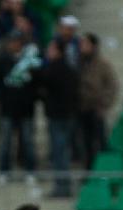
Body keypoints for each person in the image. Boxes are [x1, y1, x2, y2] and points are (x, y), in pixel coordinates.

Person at [0, 31, 40, 184]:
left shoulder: (30, 61)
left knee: (27, 142)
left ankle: (30, 171)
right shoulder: (3, 60)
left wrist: (31, 98)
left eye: (16, 41)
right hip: (7, 108)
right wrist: (2, 98)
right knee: (5, 142)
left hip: (26, 108)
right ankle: (4, 171)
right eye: (11, 41)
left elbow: (36, 84)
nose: (13, 44)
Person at [39, 40, 79, 198]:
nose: (48, 52)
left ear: (57, 51)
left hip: (57, 116)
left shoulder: (53, 69)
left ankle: (61, 187)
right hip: (67, 115)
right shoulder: (70, 69)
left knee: (59, 153)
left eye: (51, 49)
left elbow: (46, 87)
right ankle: (64, 185)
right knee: (62, 151)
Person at [78, 32, 119, 169]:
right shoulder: (78, 64)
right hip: (82, 109)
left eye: (85, 44)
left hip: (96, 109)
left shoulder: (102, 65)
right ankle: (88, 171)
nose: (82, 47)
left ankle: (105, 169)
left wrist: (104, 104)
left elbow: (112, 86)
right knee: (85, 144)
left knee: (100, 142)